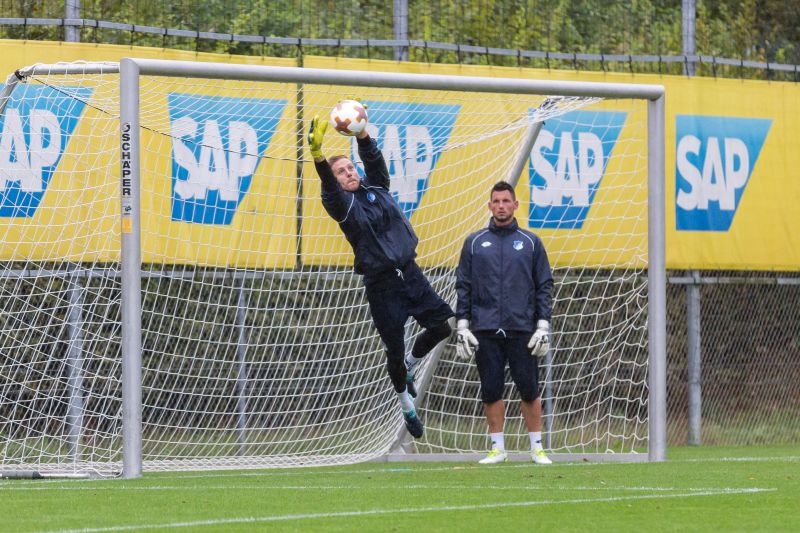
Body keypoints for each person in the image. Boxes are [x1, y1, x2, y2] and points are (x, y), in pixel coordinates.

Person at [307, 111, 453, 439]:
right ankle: (405, 404)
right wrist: (318, 158)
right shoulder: (343, 207)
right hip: (382, 286)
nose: (348, 173)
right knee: (393, 352)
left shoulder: (378, 187)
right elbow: (329, 188)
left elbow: (372, 161)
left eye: (349, 167)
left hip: (411, 274)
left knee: (442, 326)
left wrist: (361, 135)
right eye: (341, 172)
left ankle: (413, 367)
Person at [455, 180, 554, 464]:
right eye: (496, 202)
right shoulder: (474, 242)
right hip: (484, 328)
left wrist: (543, 324)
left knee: (529, 388)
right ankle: (498, 448)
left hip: (522, 327)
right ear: (489, 206)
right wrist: (463, 323)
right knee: (490, 389)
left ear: (515, 205)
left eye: (505, 201)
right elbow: (464, 285)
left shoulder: (531, 242)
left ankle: (537, 448)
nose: (501, 206)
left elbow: (543, 285)